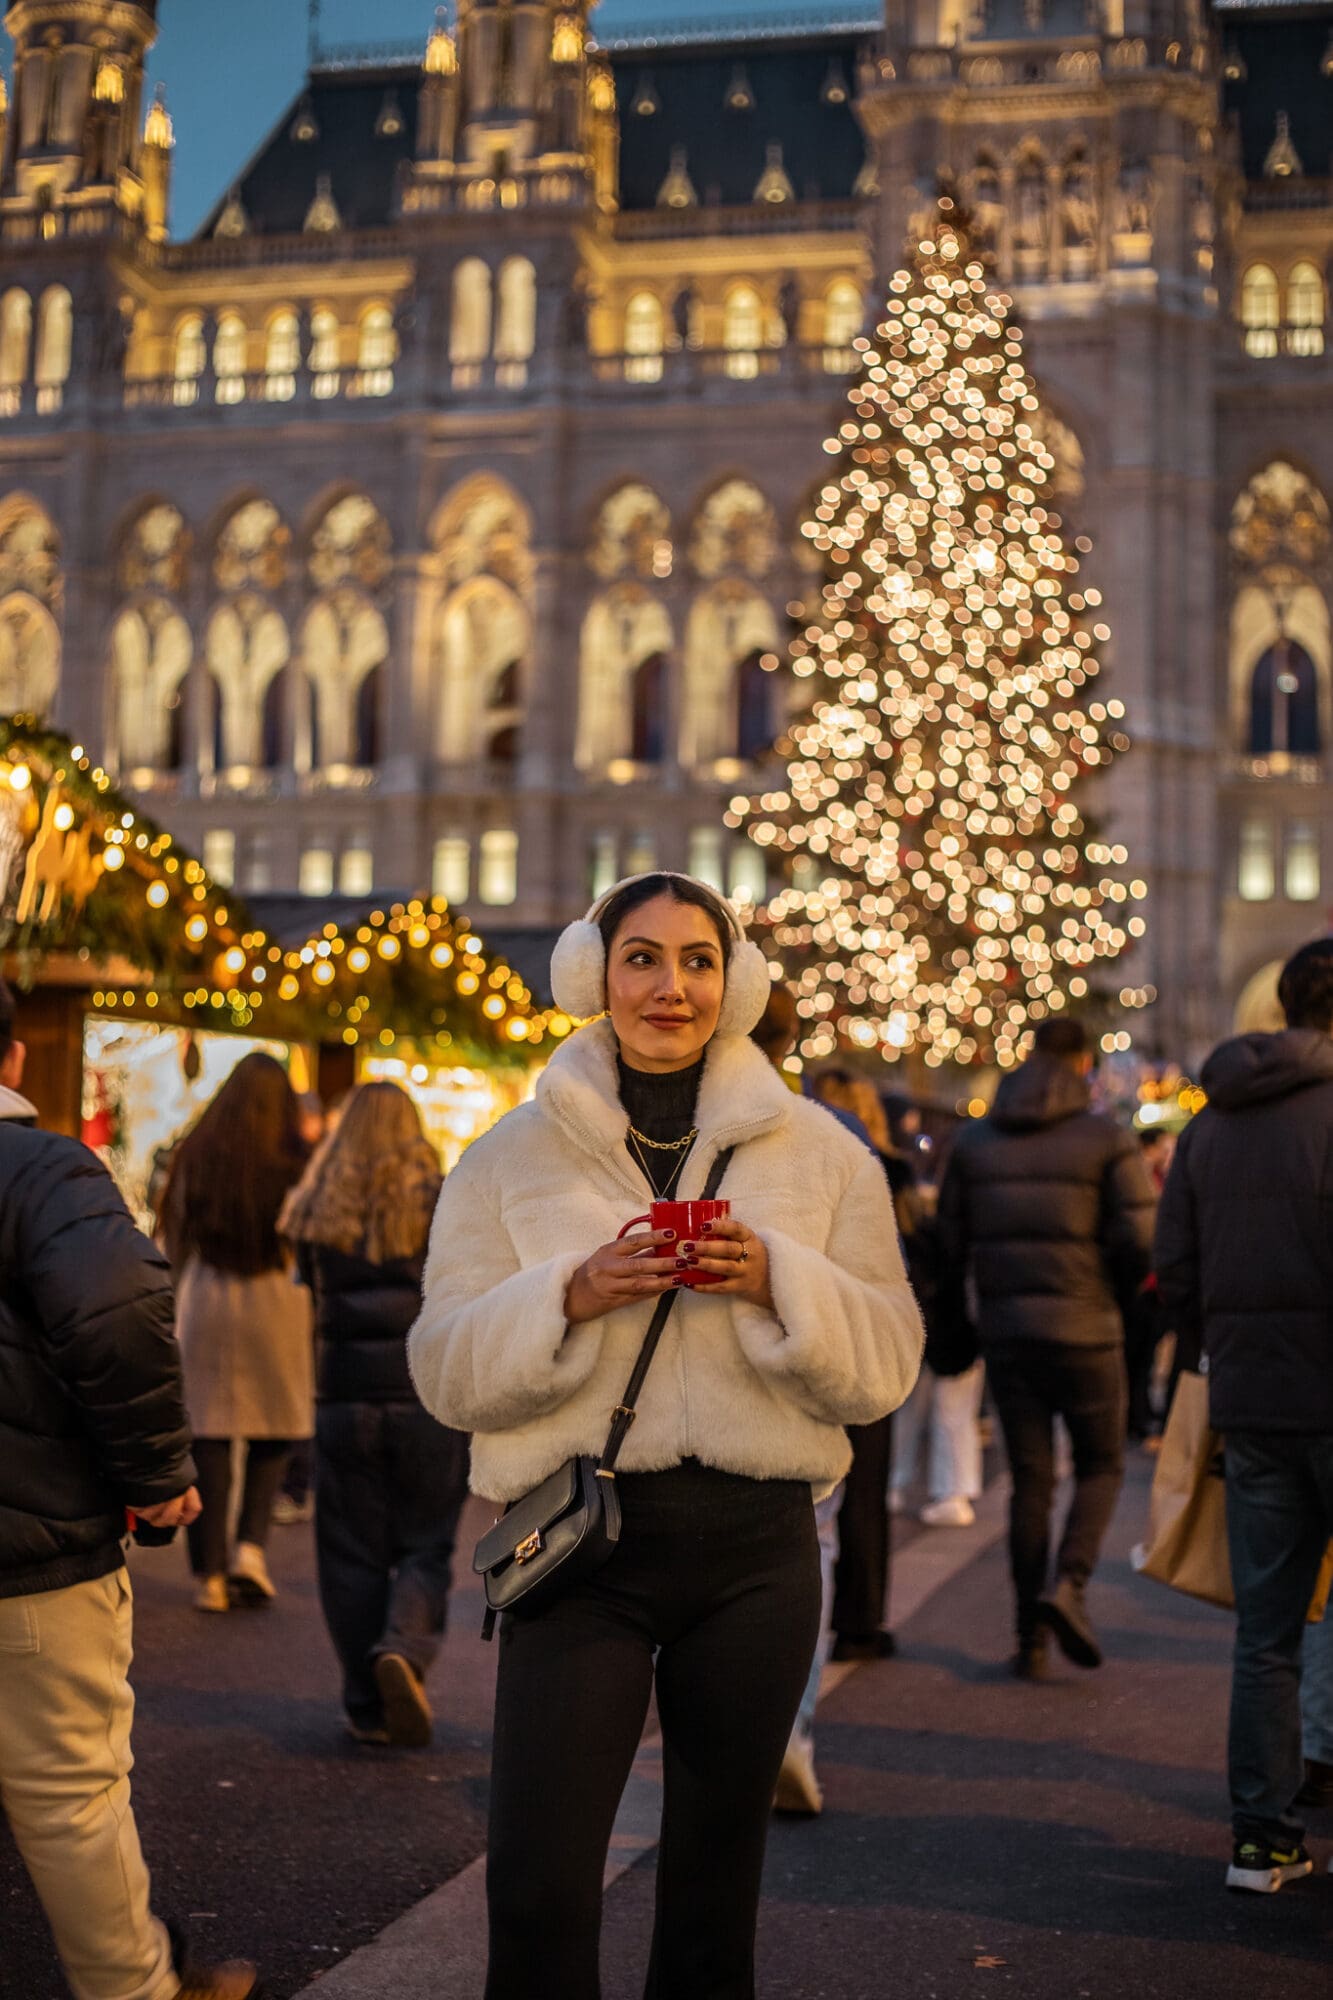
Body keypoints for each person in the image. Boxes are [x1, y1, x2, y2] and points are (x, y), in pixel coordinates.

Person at [409, 872, 923, 1998]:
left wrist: (780, 1281)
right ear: (594, 973)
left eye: (697, 959)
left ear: (734, 981)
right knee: (539, 1885)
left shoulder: (826, 1154)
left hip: (754, 1550)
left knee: (712, 1883)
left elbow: (886, 1361)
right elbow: (443, 1367)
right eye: (641, 956)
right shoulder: (508, 1154)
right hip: (578, 1548)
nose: (670, 986)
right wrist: (568, 1295)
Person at [0, 976, 258, 1999]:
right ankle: (138, 1987)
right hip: (34, 1556)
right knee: (70, 1798)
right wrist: (157, 1477)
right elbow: (114, 1306)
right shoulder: (41, 1168)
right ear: (14, 1058)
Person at [1155, 938, 1333, 1893]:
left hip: (1255, 1404)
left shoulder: (1210, 1124)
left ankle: (1260, 1840)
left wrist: (1213, 1353)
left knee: (1265, 1630)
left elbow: (1174, 1272)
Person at [936, 1016, 1155, 1678]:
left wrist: (965, 1319)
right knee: (1099, 1465)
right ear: (1083, 1062)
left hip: (1007, 1333)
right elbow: (1139, 1241)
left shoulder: (975, 1140)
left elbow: (949, 1246)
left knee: (1029, 1479)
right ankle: (1070, 1584)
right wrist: (1113, 1297)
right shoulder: (1105, 1139)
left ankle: (1027, 1635)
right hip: (1088, 1329)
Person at [280, 1081, 470, 1747]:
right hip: (426, 1399)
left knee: (350, 1554)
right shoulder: (442, 1200)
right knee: (427, 1540)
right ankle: (404, 1647)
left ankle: (365, 1704)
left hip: (342, 1402)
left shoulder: (315, 1205)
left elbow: (307, 1294)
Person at [159, 1052, 311, 1612]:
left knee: (210, 1435)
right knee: (275, 1430)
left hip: (208, 1300)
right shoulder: (299, 1160)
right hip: (277, 1300)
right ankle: (251, 1549)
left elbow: (173, 1234)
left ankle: (210, 1576)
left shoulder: (197, 1153)